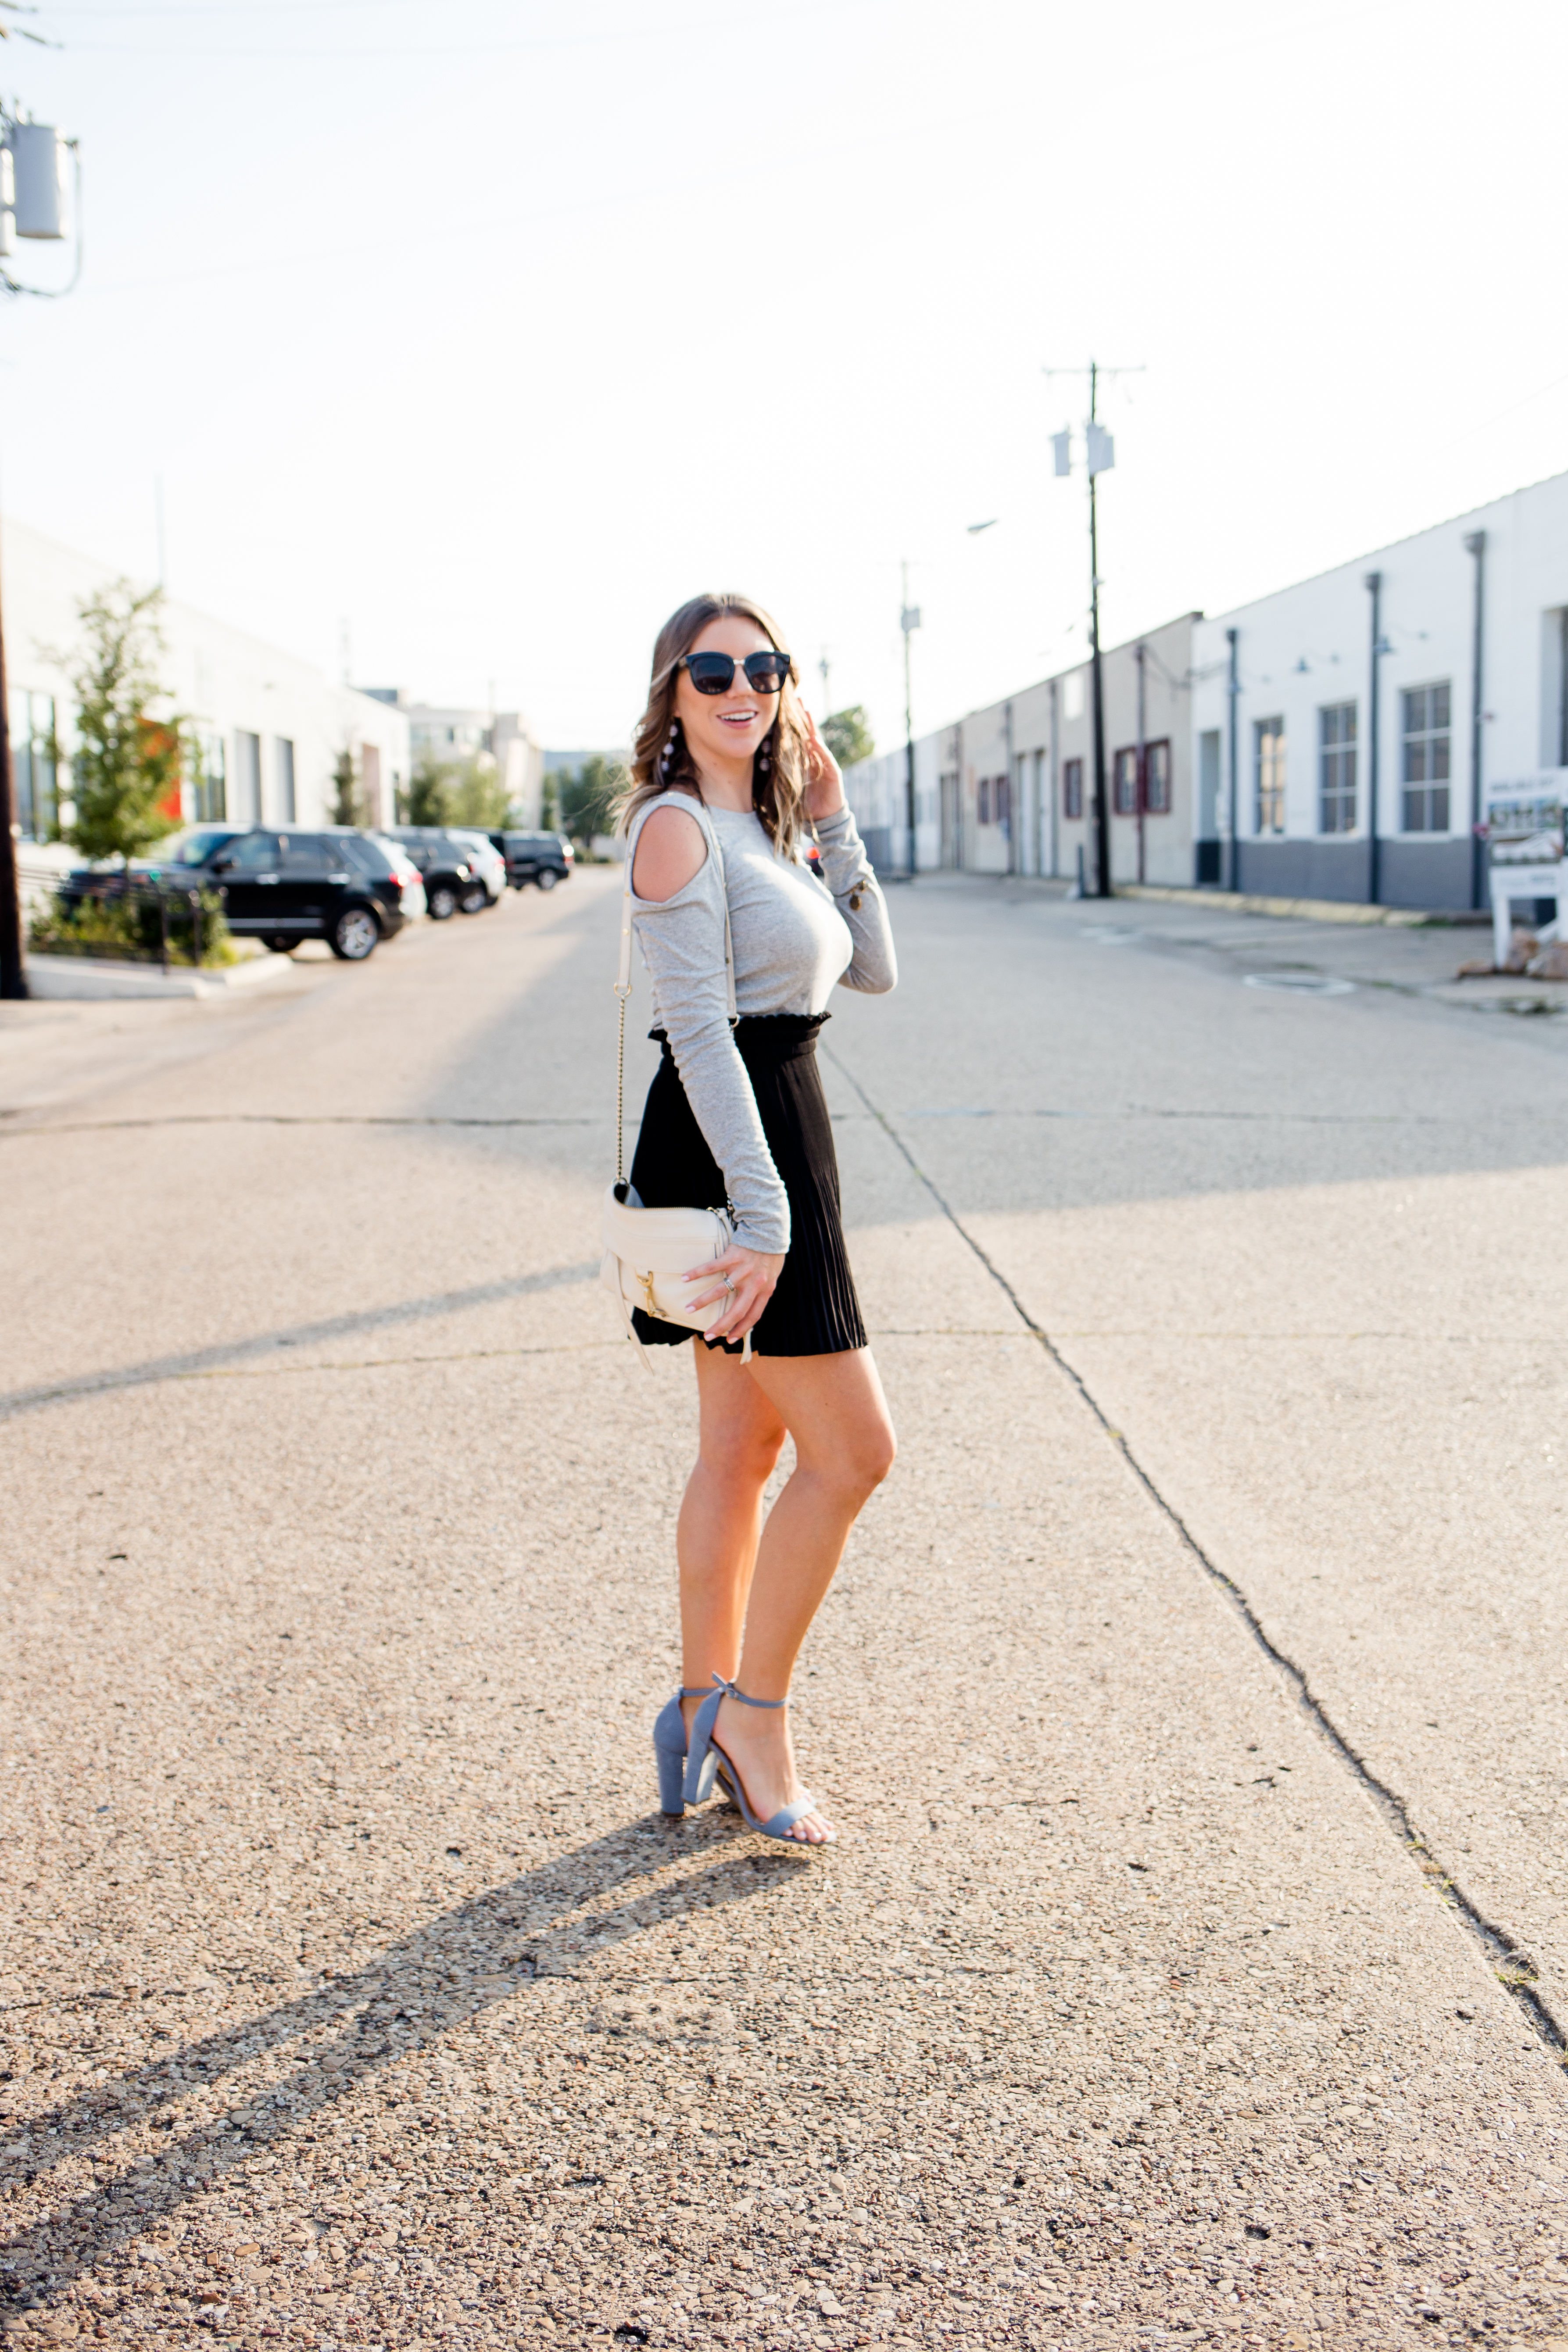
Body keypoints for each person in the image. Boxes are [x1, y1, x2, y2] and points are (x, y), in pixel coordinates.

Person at [617, 593, 899, 1846]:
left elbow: (874, 965)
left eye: (765, 665)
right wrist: (766, 1214)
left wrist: (833, 817)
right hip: (745, 1151)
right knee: (856, 1452)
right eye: (714, 667)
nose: (743, 685)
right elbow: (696, 1035)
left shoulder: (763, 828)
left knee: (744, 1452)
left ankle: (697, 1700)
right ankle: (752, 1718)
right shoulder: (676, 831)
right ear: (674, 691)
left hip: (783, 1136)